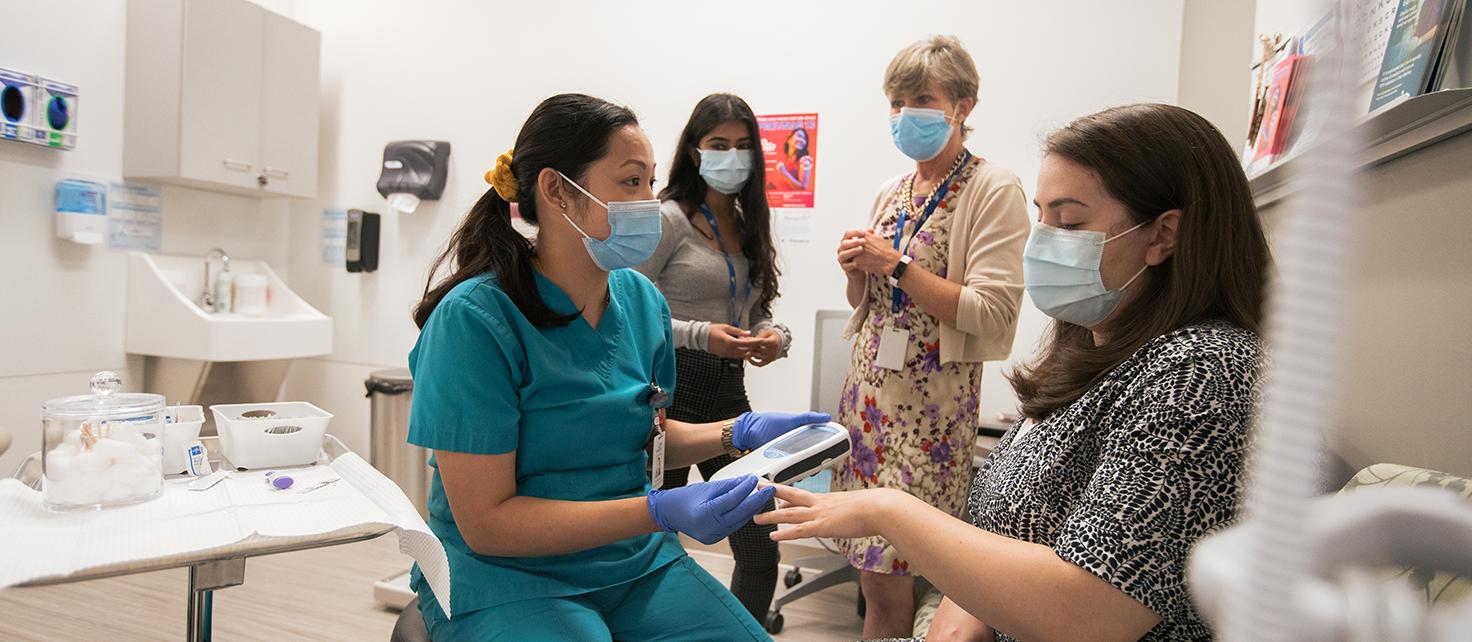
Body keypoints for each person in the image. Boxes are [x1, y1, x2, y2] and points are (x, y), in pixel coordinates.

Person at [760, 103, 1273, 642]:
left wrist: (890, 511)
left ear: (1163, 234)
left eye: (1070, 222)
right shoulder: (1094, 352)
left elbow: (1089, 609)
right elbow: (1009, 527)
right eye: (1042, 217)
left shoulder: (1201, 376)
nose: (1041, 242)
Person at [405, 93, 827, 641]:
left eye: (651, 182)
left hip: (633, 564)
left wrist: (735, 433)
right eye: (631, 183)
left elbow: (641, 434)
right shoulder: (475, 322)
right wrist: (660, 510)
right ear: (557, 190)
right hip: (507, 577)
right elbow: (487, 524)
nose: (650, 202)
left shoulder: (642, 301)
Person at [831, 34, 1029, 638]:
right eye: (895, 101)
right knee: (872, 576)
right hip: (868, 401)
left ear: (962, 106)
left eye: (919, 98)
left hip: (929, 412)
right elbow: (867, 307)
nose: (902, 114)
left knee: (900, 577)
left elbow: (990, 311)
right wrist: (856, 272)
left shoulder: (993, 188)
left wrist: (894, 265)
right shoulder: (893, 191)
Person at [635, 92, 790, 619]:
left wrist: (773, 337)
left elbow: (758, 308)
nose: (732, 156)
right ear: (695, 152)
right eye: (719, 144)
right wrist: (704, 335)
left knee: (759, 542)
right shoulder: (669, 219)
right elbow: (628, 309)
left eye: (743, 146)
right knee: (655, 542)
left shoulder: (748, 222)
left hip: (728, 391)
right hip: (670, 390)